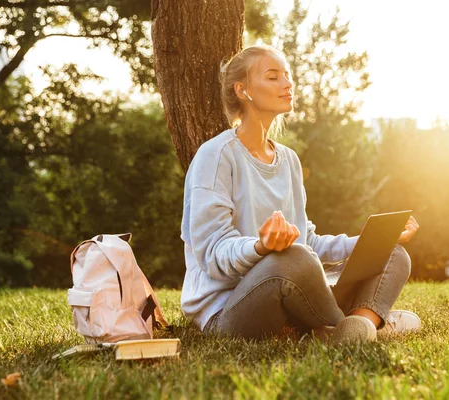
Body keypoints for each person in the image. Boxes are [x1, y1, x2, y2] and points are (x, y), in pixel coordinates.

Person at [180, 44, 421, 343]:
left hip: (292, 296)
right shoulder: (215, 156)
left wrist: (369, 243)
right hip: (229, 311)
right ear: (243, 90)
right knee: (292, 258)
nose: (287, 83)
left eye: (287, 75)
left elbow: (309, 243)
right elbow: (212, 255)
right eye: (273, 76)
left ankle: (355, 327)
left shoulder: (288, 160)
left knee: (393, 255)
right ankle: (360, 325)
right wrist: (261, 247)